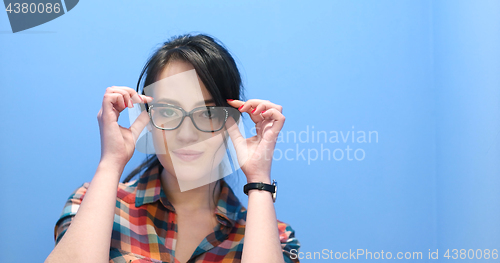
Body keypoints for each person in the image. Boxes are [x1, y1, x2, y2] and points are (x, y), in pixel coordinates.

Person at [45, 33, 300, 263]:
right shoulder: (93, 203)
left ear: (231, 121)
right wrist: (111, 163)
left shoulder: (276, 238)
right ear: (147, 118)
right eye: (167, 111)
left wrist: (258, 180)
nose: (187, 134)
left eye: (207, 113)